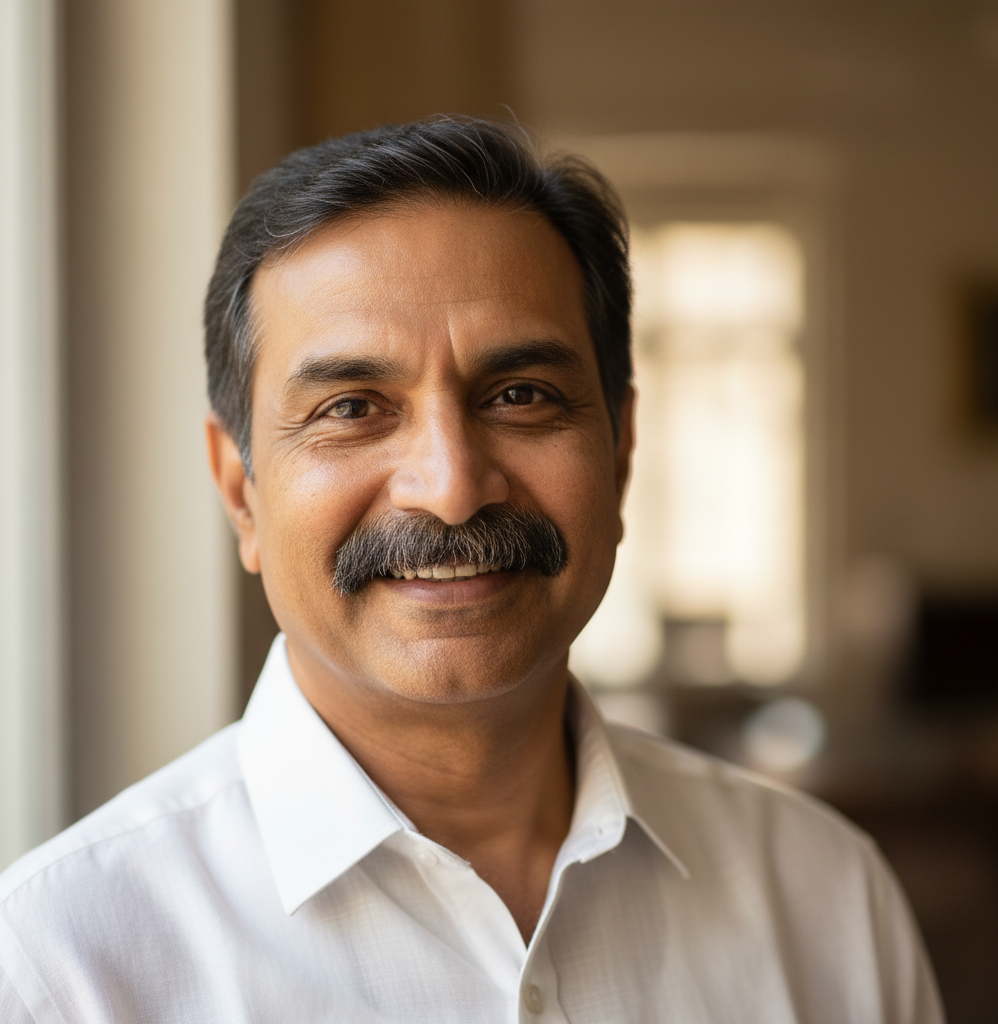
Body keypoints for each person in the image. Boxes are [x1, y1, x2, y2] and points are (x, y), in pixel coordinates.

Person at [0, 117, 943, 1023]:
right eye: (353, 407)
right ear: (242, 492)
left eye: (521, 395)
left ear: (620, 452)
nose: (451, 489)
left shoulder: (825, 898)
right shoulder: (60, 966)